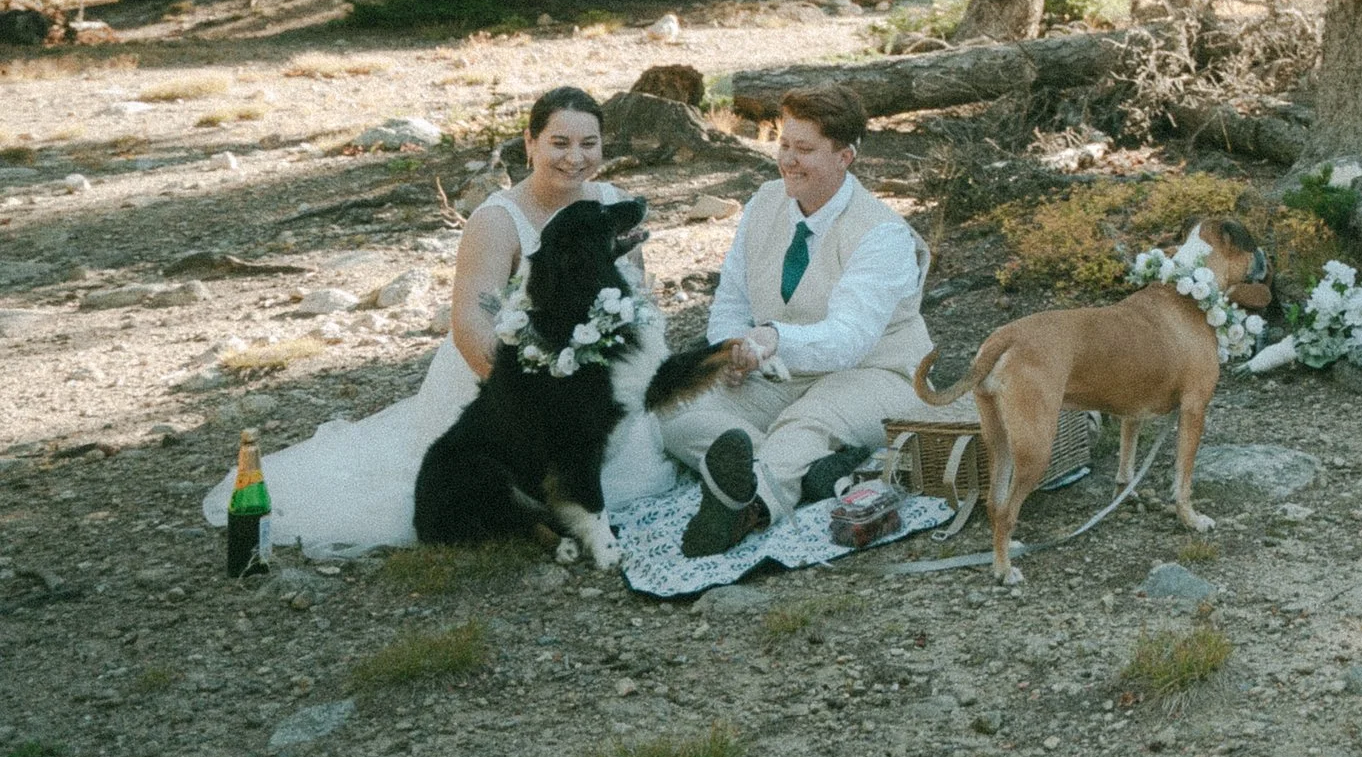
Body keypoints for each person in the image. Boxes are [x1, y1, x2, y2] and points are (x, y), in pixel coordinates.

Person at [200, 86, 679, 556]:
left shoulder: (610, 203)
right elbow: (473, 322)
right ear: (530, 143)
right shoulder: (498, 220)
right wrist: (537, 405)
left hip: (594, 376)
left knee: (636, 471)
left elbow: (633, 296)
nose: (575, 157)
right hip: (507, 383)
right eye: (559, 143)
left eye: (588, 144)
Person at [662, 83, 931, 556]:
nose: (788, 159)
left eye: (804, 149)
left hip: (877, 373)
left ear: (845, 156)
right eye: (784, 144)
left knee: (805, 423)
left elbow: (849, 340)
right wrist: (734, 350)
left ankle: (747, 508)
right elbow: (732, 298)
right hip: (784, 368)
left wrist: (771, 337)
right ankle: (812, 474)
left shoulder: (881, 234)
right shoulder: (767, 201)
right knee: (676, 415)